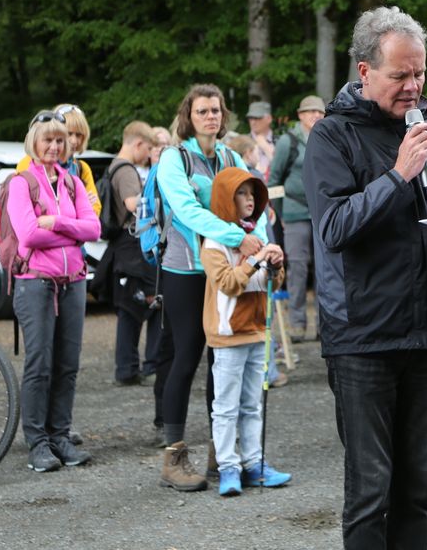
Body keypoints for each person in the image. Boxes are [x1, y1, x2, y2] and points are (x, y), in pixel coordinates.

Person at [303, 6, 427, 549]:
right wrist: (397, 174)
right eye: (400, 75)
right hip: (363, 336)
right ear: (364, 72)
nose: (413, 86)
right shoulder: (331, 138)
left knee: (416, 491)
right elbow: (334, 227)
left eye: (419, 73)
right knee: (370, 493)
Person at [156, 84, 268, 492]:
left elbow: (254, 204)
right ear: (189, 114)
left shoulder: (230, 157)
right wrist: (237, 239)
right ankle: (174, 456)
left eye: (216, 110)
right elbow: (184, 210)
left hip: (227, 269)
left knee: (225, 359)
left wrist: (264, 245)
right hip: (185, 270)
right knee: (186, 357)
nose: (211, 116)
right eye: (203, 110)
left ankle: (222, 456)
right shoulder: (174, 158)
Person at [9, 112, 99, 473]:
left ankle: (60, 434)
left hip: (73, 280)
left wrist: (59, 223)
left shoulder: (73, 183)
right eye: (48, 140)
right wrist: (73, 232)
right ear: (35, 142)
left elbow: (93, 228)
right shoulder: (21, 183)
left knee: (68, 364)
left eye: (60, 140)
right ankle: (37, 442)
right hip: (36, 282)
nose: (55, 146)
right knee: (40, 364)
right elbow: (29, 235)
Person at [201, 167, 292, 496]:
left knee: (253, 403)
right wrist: (253, 260)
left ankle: (254, 464)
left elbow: (270, 284)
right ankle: (228, 467)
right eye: (241, 193)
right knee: (226, 406)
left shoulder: (258, 236)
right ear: (226, 199)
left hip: (257, 332)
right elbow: (227, 283)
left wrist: (276, 265)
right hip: (227, 335)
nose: (250, 199)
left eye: (253, 193)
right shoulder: (214, 242)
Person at [104, 121, 159, 386]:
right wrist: (157, 197)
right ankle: (126, 369)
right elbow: (132, 204)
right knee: (131, 308)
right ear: (137, 143)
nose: (148, 154)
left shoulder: (114, 165)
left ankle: (128, 367)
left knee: (131, 307)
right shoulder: (125, 171)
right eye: (147, 148)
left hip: (123, 248)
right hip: (130, 247)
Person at [268, 96, 326, 341]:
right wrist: (281, 213)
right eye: (309, 111)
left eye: (319, 112)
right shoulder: (287, 141)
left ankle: (326, 326)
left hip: (323, 212)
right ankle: (297, 325)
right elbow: (274, 181)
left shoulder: (328, 138)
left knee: (325, 269)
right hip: (294, 212)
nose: (314, 115)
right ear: (300, 115)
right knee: (298, 268)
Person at [16, 104, 101, 216]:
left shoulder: (81, 168)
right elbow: (29, 213)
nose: (74, 141)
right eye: (69, 133)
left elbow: (95, 210)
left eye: (79, 135)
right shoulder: (29, 163)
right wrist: (80, 206)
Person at [245, 102, 276, 179]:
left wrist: (266, 147)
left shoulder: (281, 141)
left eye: (257, 118)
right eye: (250, 118)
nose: (253, 122)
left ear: (269, 119)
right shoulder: (242, 142)